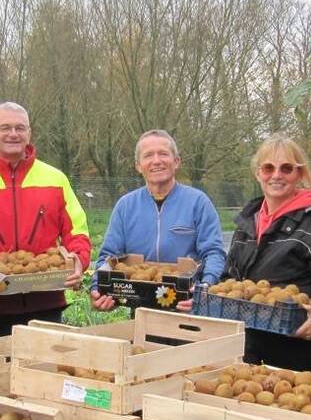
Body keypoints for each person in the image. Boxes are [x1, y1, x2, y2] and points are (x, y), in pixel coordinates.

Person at [0, 102, 91, 338]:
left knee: (47, 370)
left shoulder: (56, 179)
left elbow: (77, 233)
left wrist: (78, 260)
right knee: (0, 371)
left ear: (29, 133)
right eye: (5, 128)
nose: (13, 134)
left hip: (48, 300)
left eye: (19, 128)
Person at [216, 135, 311, 373]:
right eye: (268, 168)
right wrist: (211, 298)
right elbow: (230, 278)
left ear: (299, 174)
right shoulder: (248, 222)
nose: (276, 175)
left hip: (297, 344)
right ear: (258, 173)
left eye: (286, 168)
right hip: (248, 339)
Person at [90, 130, 226, 311]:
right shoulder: (125, 206)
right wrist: (97, 289)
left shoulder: (198, 202)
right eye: (148, 156)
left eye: (163, 154)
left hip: (188, 308)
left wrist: (205, 286)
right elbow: (108, 256)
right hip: (140, 308)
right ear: (138, 166)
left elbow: (213, 252)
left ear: (176, 161)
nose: (156, 161)